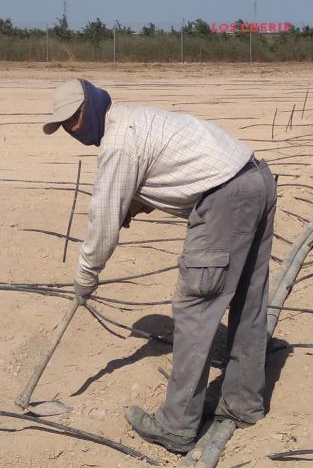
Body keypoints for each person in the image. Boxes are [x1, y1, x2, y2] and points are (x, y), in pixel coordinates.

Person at [42, 78, 277, 453]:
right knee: (248, 301)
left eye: (75, 118)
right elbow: (163, 171)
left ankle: (177, 425)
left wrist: (86, 276)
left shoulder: (118, 144)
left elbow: (101, 222)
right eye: (64, 125)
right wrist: (131, 207)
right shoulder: (132, 120)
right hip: (256, 179)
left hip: (224, 198)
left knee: (195, 310)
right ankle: (242, 403)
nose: (72, 129)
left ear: (94, 104)